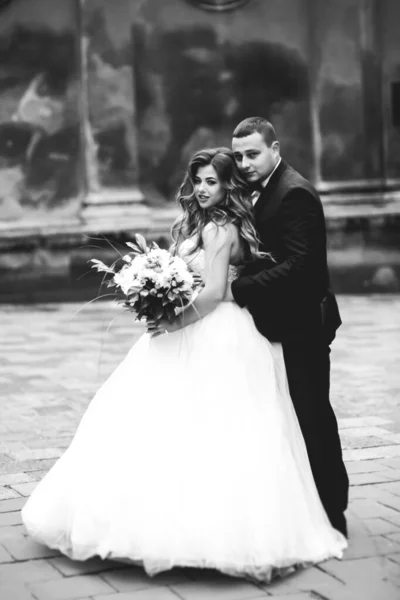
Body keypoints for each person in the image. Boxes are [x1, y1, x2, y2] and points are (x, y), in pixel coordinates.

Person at [22, 148, 346, 583]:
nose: (202, 188)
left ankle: (217, 532)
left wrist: (174, 321)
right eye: (198, 181)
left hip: (216, 331)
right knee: (163, 421)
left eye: (212, 181)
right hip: (195, 324)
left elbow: (212, 293)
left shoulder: (221, 228)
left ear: (227, 185)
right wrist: (156, 286)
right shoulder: (198, 224)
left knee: (214, 425)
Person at [228, 117, 349, 537]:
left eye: (253, 153)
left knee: (312, 413)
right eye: (239, 155)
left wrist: (240, 288)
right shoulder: (256, 189)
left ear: (274, 148)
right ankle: (309, 503)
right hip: (278, 323)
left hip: (304, 325)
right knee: (292, 414)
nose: (244, 163)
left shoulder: (294, 192)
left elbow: (301, 265)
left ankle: (334, 510)